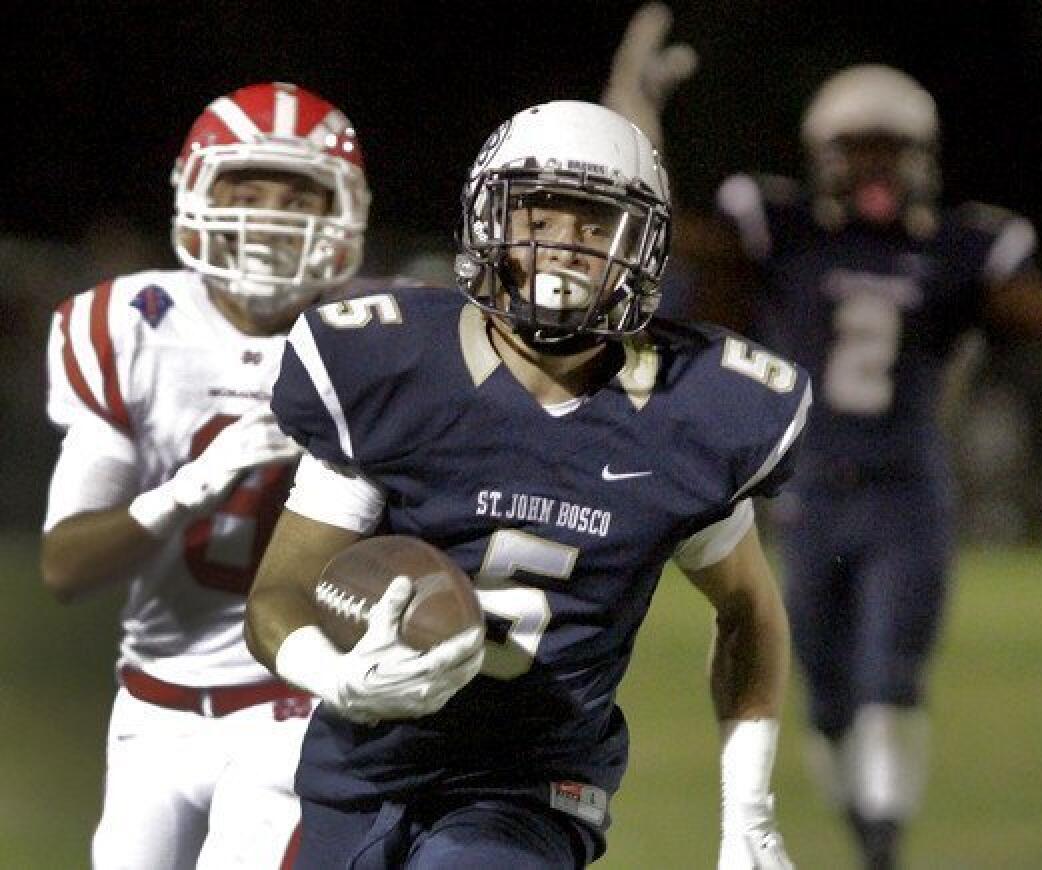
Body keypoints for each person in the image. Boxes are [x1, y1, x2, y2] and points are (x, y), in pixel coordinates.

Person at [244, 99, 807, 869]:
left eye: (593, 226)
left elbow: (748, 607)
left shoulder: (689, 411)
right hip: (357, 775)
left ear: (642, 245)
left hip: (531, 793)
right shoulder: (392, 370)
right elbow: (279, 594)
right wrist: (336, 676)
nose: (564, 249)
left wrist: (749, 812)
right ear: (489, 221)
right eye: (539, 221)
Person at [697, 66, 1042, 869]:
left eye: (894, 149)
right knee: (826, 698)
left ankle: (882, 848)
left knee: (890, 678)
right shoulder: (784, 231)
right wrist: (626, 122)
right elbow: (681, 251)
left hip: (905, 491)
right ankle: (867, 830)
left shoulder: (956, 247)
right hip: (808, 492)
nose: (877, 168)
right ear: (823, 155)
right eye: (860, 149)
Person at [40, 81, 371, 869]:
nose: (265, 216)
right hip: (151, 710)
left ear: (341, 211)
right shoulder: (131, 326)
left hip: (295, 703)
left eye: (295, 196)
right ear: (193, 192)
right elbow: (65, 564)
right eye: (244, 189)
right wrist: (190, 486)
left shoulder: (378, 342)